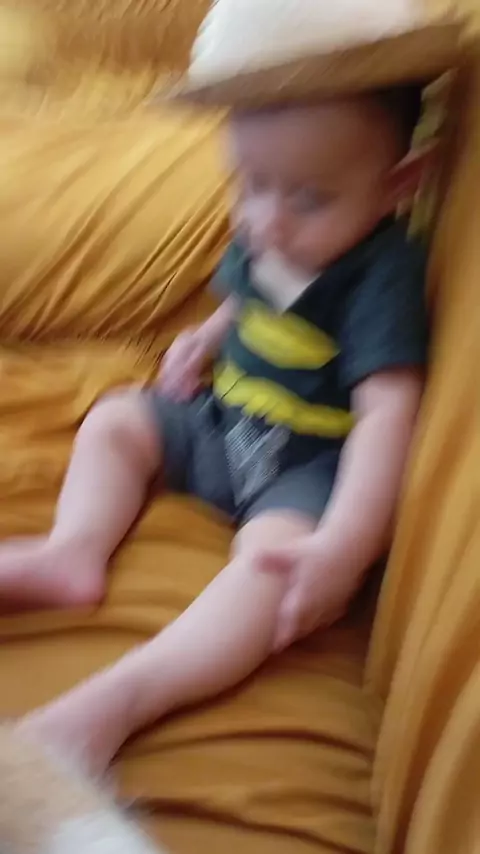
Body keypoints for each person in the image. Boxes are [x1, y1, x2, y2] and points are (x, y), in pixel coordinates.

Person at [7, 89, 429, 775]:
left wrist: (344, 546)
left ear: (399, 185)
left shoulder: (381, 273)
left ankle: (123, 697)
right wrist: (200, 340)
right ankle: (70, 551)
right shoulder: (277, 233)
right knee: (115, 418)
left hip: (304, 471)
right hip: (219, 425)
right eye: (250, 184)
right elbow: (245, 299)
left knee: (272, 570)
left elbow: (387, 412)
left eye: (309, 198)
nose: (267, 223)